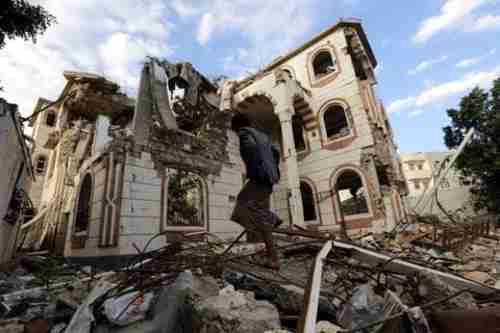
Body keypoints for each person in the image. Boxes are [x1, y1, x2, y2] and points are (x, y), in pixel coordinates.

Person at [230, 112, 282, 270]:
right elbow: (275, 152)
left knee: (242, 207)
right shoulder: (262, 135)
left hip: (259, 178)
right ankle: (268, 255)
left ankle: (272, 220)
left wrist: (255, 171)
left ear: (236, 126)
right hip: (268, 178)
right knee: (256, 213)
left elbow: (251, 149)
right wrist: (272, 170)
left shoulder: (245, 134)